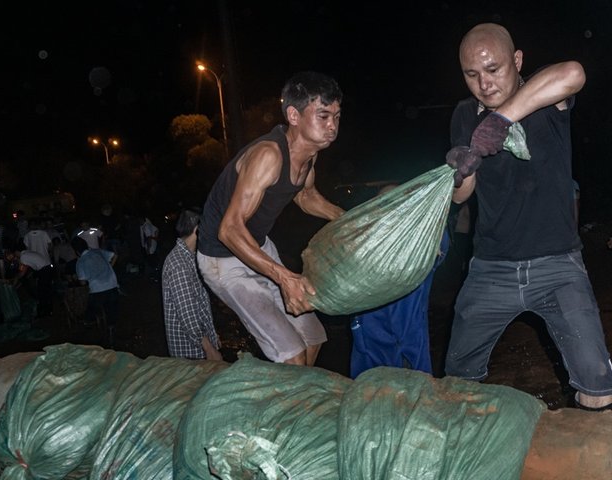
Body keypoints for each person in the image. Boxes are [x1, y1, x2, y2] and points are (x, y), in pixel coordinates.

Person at [443, 23, 612, 411]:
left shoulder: (545, 98)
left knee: (598, 388)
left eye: (494, 69)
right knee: (455, 384)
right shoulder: (464, 114)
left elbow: (573, 73)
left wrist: (500, 120)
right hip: (491, 269)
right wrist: (460, 171)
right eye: (472, 74)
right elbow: (460, 197)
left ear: (517, 60)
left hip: (558, 265)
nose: (484, 84)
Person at [197, 71, 345, 366]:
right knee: (293, 354)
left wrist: (346, 219)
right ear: (294, 115)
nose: (332, 126)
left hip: (258, 245)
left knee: (313, 338)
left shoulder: (309, 155)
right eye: (323, 116)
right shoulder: (269, 155)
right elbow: (229, 230)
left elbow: (306, 196)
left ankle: (296, 390)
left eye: (337, 117)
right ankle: (286, 391)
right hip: (222, 259)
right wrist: (284, 277)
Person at [349, 184, 450, 378]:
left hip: (407, 348)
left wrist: (435, 231)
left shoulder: (420, 250)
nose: (390, 211)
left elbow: (439, 243)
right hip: (368, 348)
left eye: (397, 204)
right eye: (383, 205)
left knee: (409, 389)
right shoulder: (364, 252)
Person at [162, 208, 222, 360]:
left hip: (198, 348)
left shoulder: (189, 257)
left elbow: (198, 302)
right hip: (192, 353)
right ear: (197, 230)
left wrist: (212, 334)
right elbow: (188, 315)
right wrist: (209, 348)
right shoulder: (179, 264)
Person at [71, 236, 119, 347]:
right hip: (112, 285)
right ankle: (111, 335)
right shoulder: (98, 251)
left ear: (76, 251)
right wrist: (109, 267)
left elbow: (82, 282)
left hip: (97, 291)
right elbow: (115, 255)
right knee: (111, 312)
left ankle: (92, 332)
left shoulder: (80, 262)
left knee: (91, 311)